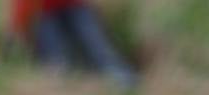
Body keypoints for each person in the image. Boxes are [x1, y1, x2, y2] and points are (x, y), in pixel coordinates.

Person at [9, 0, 139, 89]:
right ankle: (62, 89)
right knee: (56, 61)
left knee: (97, 46)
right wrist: (18, 28)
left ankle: (123, 79)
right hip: (43, 12)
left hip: (74, 5)